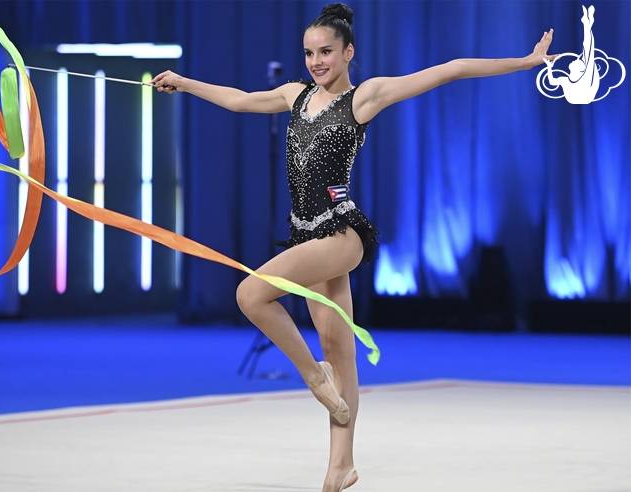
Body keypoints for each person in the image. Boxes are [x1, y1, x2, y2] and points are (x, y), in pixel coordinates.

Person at [152, 4, 556, 491]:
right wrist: (184, 81)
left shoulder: (364, 98)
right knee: (340, 350)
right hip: (306, 232)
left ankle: (310, 376)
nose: (316, 62)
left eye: (326, 52)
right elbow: (239, 100)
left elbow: (449, 70)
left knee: (251, 294)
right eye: (309, 53)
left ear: (348, 52)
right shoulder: (295, 96)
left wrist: (525, 61)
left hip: (340, 234)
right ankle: (340, 465)